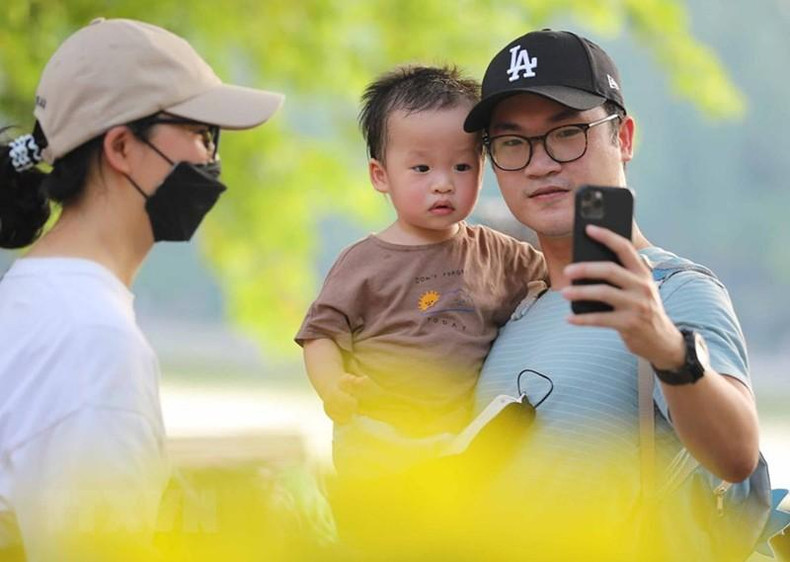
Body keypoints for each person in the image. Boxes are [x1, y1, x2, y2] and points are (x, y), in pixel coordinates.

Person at [462, 29, 762, 560]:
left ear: (622, 138)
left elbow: (737, 455)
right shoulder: (515, 306)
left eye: (567, 133)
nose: (540, 164)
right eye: (512, 143)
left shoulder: (675, 293)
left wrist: (667, 347)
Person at [0, 17, 283, 560]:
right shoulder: (90, 341)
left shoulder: (32, 299)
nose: (211, 159)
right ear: (122, 148)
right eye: (201, 133)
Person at [295, 65, 546, 477]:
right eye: (422, 169)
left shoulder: (498, 254)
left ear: (483, 170)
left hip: (451, 424)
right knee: (383, 456)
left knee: (455, 475)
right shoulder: (364, 262)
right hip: (376, 424)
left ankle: (462, 458)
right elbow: (319, 334)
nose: (444, 184)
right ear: (381, 175)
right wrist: (332, 386)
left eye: (462, 168)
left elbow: (556, 272)